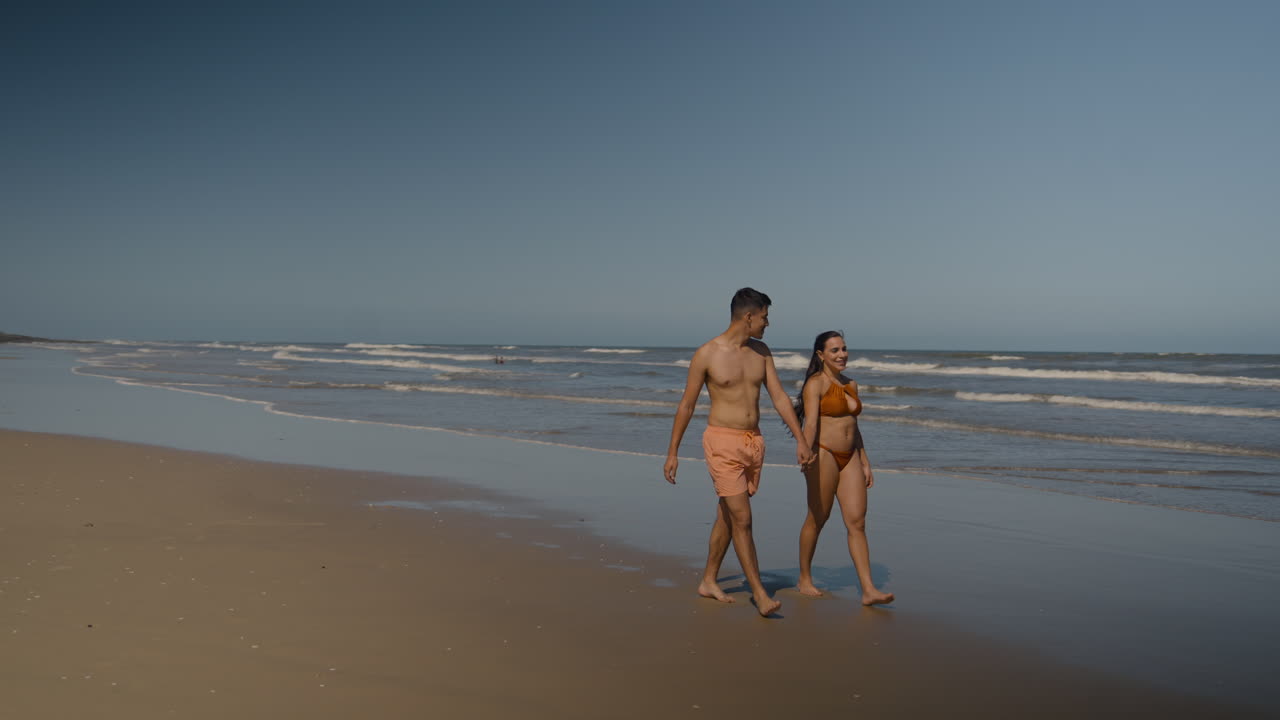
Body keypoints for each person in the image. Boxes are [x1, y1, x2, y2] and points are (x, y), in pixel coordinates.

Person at [664, 288, 814, 617]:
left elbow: (777, 397)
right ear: (748, 317)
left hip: (753, 443)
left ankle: (708, 580)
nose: (767, 323)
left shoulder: (761, 352)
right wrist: (672, 451)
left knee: (728, 515)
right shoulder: (707, 354)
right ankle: (759, 594)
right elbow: (687, 404)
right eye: (764, 317)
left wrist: (801, 440)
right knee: (743, 519)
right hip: (721, 442)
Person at [794, 331, 894, 606]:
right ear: (821, 355)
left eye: (844, 349)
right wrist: (805, 448)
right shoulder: (815, 384)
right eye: (835, 350)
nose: (842, 355)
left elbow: (854, 426)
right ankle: (804, 578)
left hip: (850, 456)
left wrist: (865, 460)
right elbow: (811, 422)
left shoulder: (852, 384)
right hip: (823, 454)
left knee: (857, 522)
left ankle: (869, 589)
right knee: (818, 517)